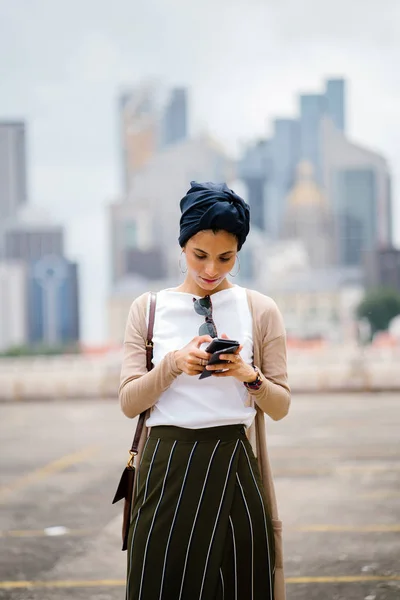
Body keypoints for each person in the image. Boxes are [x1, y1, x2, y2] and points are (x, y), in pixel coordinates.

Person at [119, 181, 291, 600]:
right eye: (200, 255)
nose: (211, 269)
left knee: (245, 586)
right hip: (167, 465)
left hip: (233, 461)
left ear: (239, 253)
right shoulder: (147, 308)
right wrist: (174, 364)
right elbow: (129, 402)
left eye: (225, 258)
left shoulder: (260, 308)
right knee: (157, 588)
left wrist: (246, 374)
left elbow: (281, 405)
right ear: (182, 246)